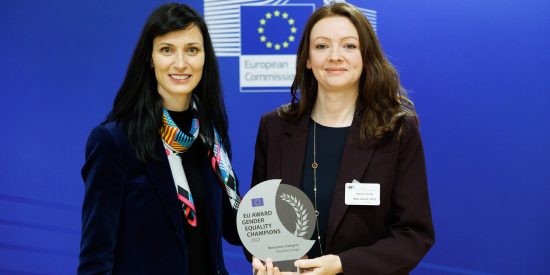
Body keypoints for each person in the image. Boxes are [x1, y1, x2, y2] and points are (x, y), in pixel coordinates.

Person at [250, 2, 434, 275]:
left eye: (349, 46)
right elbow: (259, 220)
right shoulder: (274, 127)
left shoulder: (396, 131)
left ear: (365, 56)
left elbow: (413, 234)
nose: (335, 56)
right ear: (308, 59)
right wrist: (262, 258)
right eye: (322, 46)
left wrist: (342, 264)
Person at [78, 3, 241, 275]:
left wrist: (272, 247)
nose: (181, 63)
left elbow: (233, 229)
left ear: (205, 58)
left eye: (192, 50)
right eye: (167, 50)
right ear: (150, 58)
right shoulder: (114, 141)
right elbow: (96, 255)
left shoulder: (210, 136)